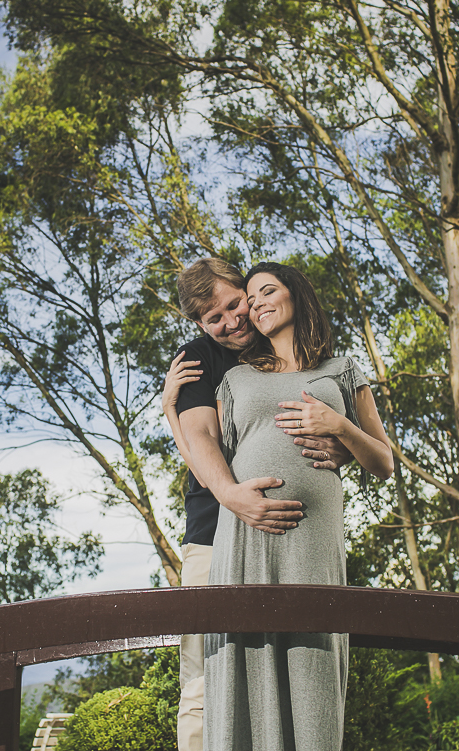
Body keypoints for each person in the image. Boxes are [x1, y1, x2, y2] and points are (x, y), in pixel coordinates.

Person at [201, 261, 393, 751]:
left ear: (296, 294)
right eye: (252, 296)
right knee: (241, 651)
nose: (258, 302)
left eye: (268, 290)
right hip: (246, 534)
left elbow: (385, 462)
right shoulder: (236, 377)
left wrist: (340, 427)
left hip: (313, 538)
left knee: (314, 651)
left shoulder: (341, 370)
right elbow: (211, 454)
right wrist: (168, 408)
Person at [163, 258, 353, 751]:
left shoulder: (284, 339)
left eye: (234, 304)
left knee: (303, 662)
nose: (232, 321)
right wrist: (230, 496)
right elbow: (201, 435)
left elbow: (319, 428)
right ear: (198, 325)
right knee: (208, 677)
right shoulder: (198, 359)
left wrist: (343, 450)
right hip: (213, 537)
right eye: (214, 318)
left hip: (298, 544)